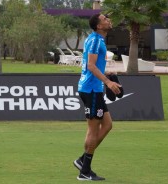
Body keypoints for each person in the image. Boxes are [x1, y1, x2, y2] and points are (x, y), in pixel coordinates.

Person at [74, 14, 121, 181]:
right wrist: (108, 82)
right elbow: (90, 65)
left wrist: (107, 73)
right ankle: (84, 171)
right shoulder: (95, 40)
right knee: (93, 130)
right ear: (99, 26)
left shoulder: (98, 39)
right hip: (91, 89)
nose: (108, 20)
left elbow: (94, 66)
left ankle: (82, 160)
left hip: (93, 88)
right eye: (105, 19)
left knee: (107, 125)